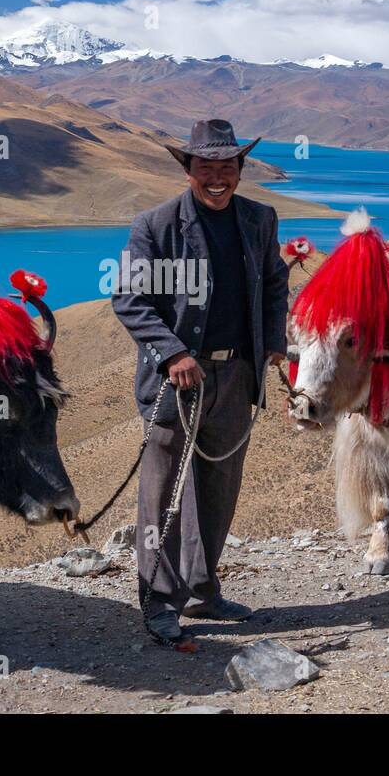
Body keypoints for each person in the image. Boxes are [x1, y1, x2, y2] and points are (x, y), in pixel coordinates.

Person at [112, 119, 289, 642]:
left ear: (240, 170)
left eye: (228, 167)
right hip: (178, 380)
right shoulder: (157, 225)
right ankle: (159, 602)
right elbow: (131, 299)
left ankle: (202, 590)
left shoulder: (260, 219)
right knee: (164, 491)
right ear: (188, 169)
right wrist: (171, 353)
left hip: (237, 374)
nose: (218, 177)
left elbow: (275, 281)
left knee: (219, 488)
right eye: (206, 167)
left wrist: (272, 339)